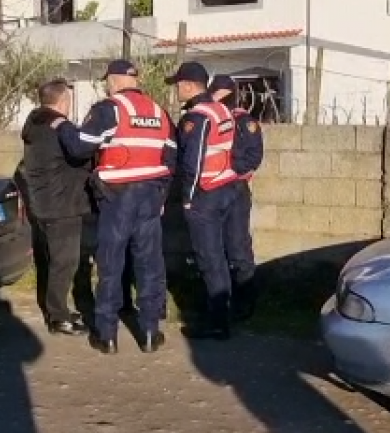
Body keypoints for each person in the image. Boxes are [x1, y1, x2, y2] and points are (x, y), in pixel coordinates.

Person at [52, 59, 176, 354]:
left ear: (116, 80)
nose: (106, 85)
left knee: (110, 264)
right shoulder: (158, 111)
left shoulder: (109, 109)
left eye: (108, 80)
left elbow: (81, 145)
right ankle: (148, 333)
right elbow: (171, 158)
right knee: (149, 265)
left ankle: (106, 335)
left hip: (118, 195)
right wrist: (161, 196)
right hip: (150, 194)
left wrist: (63, 126)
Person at [166, 62, 239, 341]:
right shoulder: (221, 109)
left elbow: (192, 161)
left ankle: (216, 323)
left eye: (177, 85)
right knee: (218, 257)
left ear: (187, 85)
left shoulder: (196, 117)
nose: (176, 91)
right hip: (224, 189)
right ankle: (222, 314)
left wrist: (188, 197)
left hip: (205, 195)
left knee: (209, 259)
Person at [15, 78, 94, 336]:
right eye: (69, 100)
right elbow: (81, 153)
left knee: (50, 261)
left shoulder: (34, 124)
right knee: (65, 262)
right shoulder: (61, 127)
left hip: (42, 203)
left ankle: (54, 309)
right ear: (62, 101)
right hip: (63, 204)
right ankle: (59, 317)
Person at [208, 74, 264, 321]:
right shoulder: (209, 118)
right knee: (214, 247)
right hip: (212, 189)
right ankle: (222, 300)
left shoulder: (244, 121)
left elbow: (253, 157)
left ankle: (245, 302)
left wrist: (228, 168)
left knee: (238, 247)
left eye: (217, 93)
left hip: (236, 189)